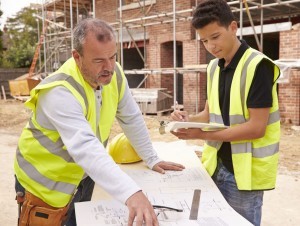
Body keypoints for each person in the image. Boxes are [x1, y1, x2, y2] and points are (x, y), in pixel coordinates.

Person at [14, 18, 185, 226]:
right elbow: (85, 147)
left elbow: (131, 117)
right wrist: (132, 193)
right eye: (98, 61)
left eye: (112, 57)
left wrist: (151, 157)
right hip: (45, 187)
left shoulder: (114, 74)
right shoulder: (59, 91)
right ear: (77, 57)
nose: (109, 67)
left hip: (83, 178)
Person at [170, 0, 280, 226]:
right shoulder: (213, 67)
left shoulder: (258, 66)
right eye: (204, 41)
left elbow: (256, 128)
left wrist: (201, 135)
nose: (210, 46)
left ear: (233, 27)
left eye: (215, 36)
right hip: (214, 166)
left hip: (244, 175)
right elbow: (209, 115)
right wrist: (187, 121)